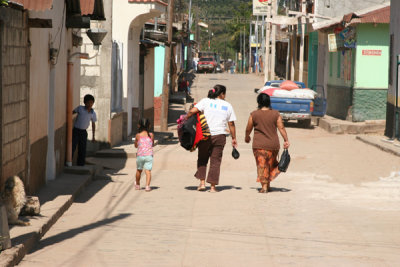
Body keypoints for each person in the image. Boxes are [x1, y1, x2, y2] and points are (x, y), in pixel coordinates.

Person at [187, 84, 237, 192]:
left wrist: (185, 119)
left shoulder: (205, 101)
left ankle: (202, 183)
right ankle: (213, 187)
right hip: (220, 136)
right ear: (222, 94)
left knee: (202, 158)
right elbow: (231, 124)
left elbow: (192, 111)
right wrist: (234, 138)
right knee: (215, 161)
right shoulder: (227, 105)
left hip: (205, 135)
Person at [245, 93, 290, 193]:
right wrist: (286, 140)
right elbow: (281, 128)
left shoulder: (254, 114)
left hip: (259, 145)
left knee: (262, 165)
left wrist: (247, 137)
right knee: (270, 164)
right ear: (269, 102)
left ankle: (264, 186)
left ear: (259, 102)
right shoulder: (276, 114)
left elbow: (248, 128)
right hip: (273, 145)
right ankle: (267, 184)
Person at [72, 94, 97, 166]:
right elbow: (72, 112)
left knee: (82, 149)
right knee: (72, 147)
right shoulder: (80, 109)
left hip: (83, 132)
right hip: (76, 131)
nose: (90, 104)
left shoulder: (93, 113)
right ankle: (68, 162)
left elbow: (93, 124)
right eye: (88, 102)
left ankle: (80, 164)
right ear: (85, 103)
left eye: (91, 103)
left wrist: (93, 136)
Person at [134, 118, 154, 192]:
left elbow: (136, 146)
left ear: (139, 125)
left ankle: (137, 185)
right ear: (149, 125)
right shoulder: (151, 135)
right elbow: (152, 144)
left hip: (140, 156)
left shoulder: (138, 135)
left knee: (139, 170)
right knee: (148, 171)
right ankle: (147, 186)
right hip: (149, 156)